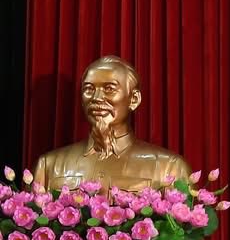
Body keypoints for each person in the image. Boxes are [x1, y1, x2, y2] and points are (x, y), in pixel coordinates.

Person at [32, 55, 191, 191]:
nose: (96, 98)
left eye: (109, 89)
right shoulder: (48, 166)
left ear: (134, 99)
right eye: (89, 89)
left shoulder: (169, 167)